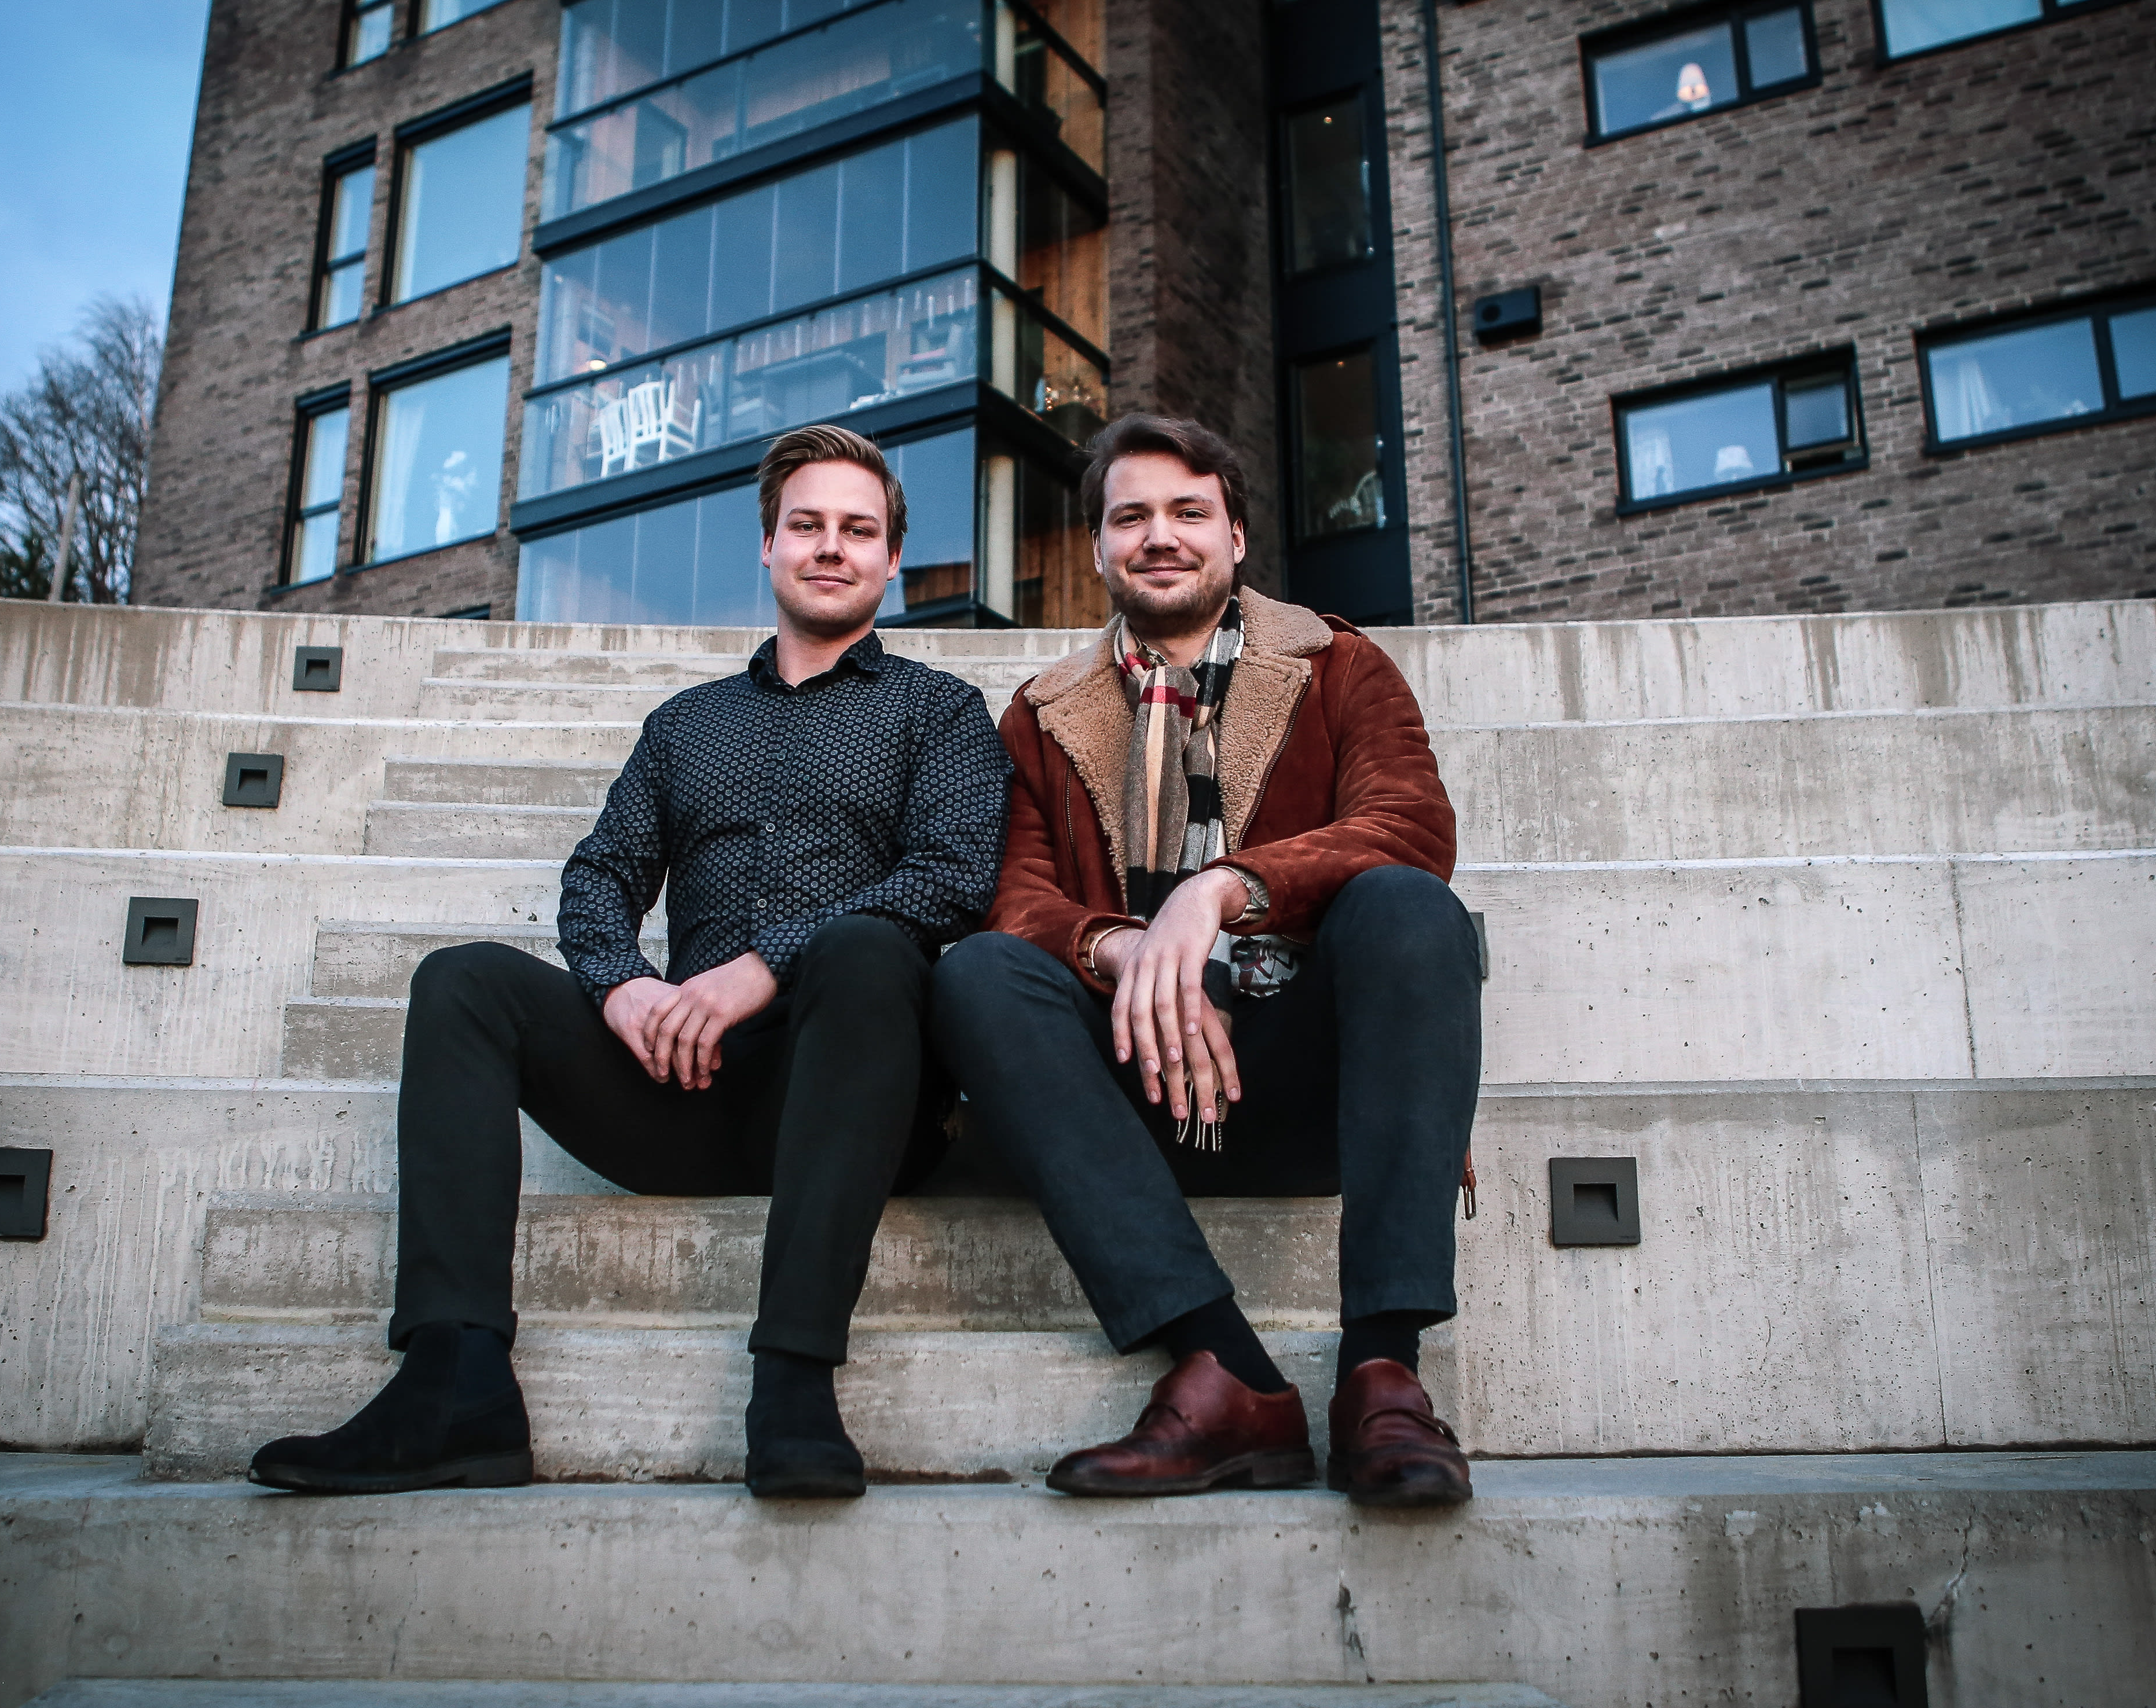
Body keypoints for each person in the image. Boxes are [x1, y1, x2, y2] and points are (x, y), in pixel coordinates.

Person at [250, 424, 1011, 1500]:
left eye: (858, 530)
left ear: (892, 560)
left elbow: (952, 876)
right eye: (807, 525)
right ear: (769, 545)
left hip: (859, 1101)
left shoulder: (939, 712)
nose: (831, 547)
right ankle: (456, 1385)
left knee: (865, 949)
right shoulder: (686, 725)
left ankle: (793, 1383)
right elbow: (600, 874)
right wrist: (622, 986)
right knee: (462, 981)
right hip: (688, 1092)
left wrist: (763, 966)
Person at [932, 413, 1480, 1507]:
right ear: (1099, 548)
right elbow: (1014, 899)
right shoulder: (1040, 716)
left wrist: (1219, 890)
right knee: (977, 973)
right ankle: (1226, 1373)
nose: (1160, 536)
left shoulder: (1339, 667)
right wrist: (1125, 944)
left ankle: (1383, 1374)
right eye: (1131, 516)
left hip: (1309, 1081)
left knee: (1411, 906)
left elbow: (1409, 826)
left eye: (1189, 512)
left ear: (1234, 536)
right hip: (1132, 1092)